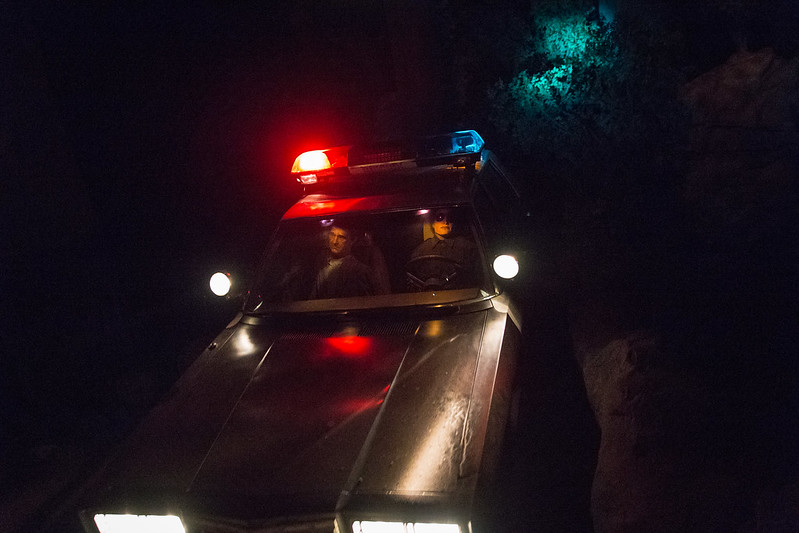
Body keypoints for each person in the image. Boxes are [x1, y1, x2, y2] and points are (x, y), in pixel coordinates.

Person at [409, 208, 479, 288]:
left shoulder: (468, 248)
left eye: (450, 218)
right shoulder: (420, 251)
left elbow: (477, 279)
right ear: (432, 223)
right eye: (440, 217)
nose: (446, 221)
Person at [309, 222, 375, 299]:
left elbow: (363, 302)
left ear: (352, 241)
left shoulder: (359, 271)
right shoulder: (322, 268)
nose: (335, 241)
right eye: (332, 235)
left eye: (341, 237)